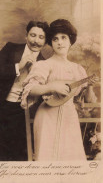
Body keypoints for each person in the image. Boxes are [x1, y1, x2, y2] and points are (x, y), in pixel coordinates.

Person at [21, 19, 97, 161]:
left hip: (70, 118)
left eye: (64, 38)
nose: (60, 42)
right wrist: (51, 86)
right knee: (47, 160)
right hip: (47, 118)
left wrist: (90, 86)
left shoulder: (78, 69)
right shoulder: (44, 65)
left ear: (70, 41)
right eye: (55, 39)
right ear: (51, 42)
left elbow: (89, 100)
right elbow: (29, 89)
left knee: (71, 161)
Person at [0, 20, 49, 161]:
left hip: (21, 112)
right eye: (33, 35)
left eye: (41, 37)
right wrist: (18, 67)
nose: (35, 41)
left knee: (17, 153)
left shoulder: (45, 64)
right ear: (26, 36)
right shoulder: (11, 48)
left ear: (45, 41)